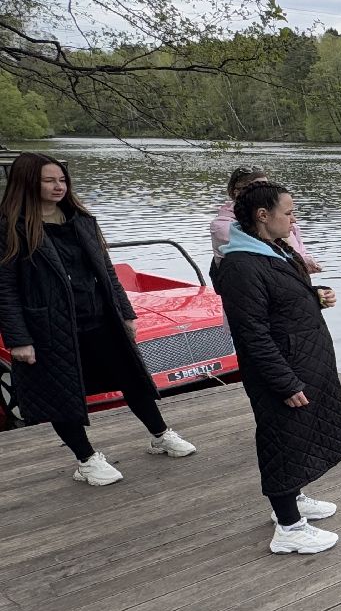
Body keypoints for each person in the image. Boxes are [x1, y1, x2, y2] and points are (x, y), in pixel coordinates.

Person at [0, 152, 196, 484]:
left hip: (99, 318)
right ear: (27, 181)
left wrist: (125, 313)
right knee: (60, 394)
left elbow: (106, 272)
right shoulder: (10, 228)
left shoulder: (80, 220)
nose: (58, 186)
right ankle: (86, 459)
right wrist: (19, 339)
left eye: (62, 179)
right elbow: (4, 289)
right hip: (49, 328)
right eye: (49, 180)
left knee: (133, 378)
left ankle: (160, 435)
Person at [213, 181, 341, 554]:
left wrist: (313, 295)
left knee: (297, 437)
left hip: (302, 359)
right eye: (288, 213)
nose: (294, 221)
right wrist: (284, 382)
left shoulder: (273, 251)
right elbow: (251, 333)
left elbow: (277, 302)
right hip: (281, 369)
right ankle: (289, 529)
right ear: (263, 216)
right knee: (280, 438)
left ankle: (292, 499)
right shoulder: (242, 266)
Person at [210, 164, 320, 273]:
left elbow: (300, 252)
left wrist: (306, 261)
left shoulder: (286, 222)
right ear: (237, 192)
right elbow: (260, 255)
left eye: (267, 187)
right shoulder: (222, 226)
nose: (266, 192)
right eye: (257, 188)